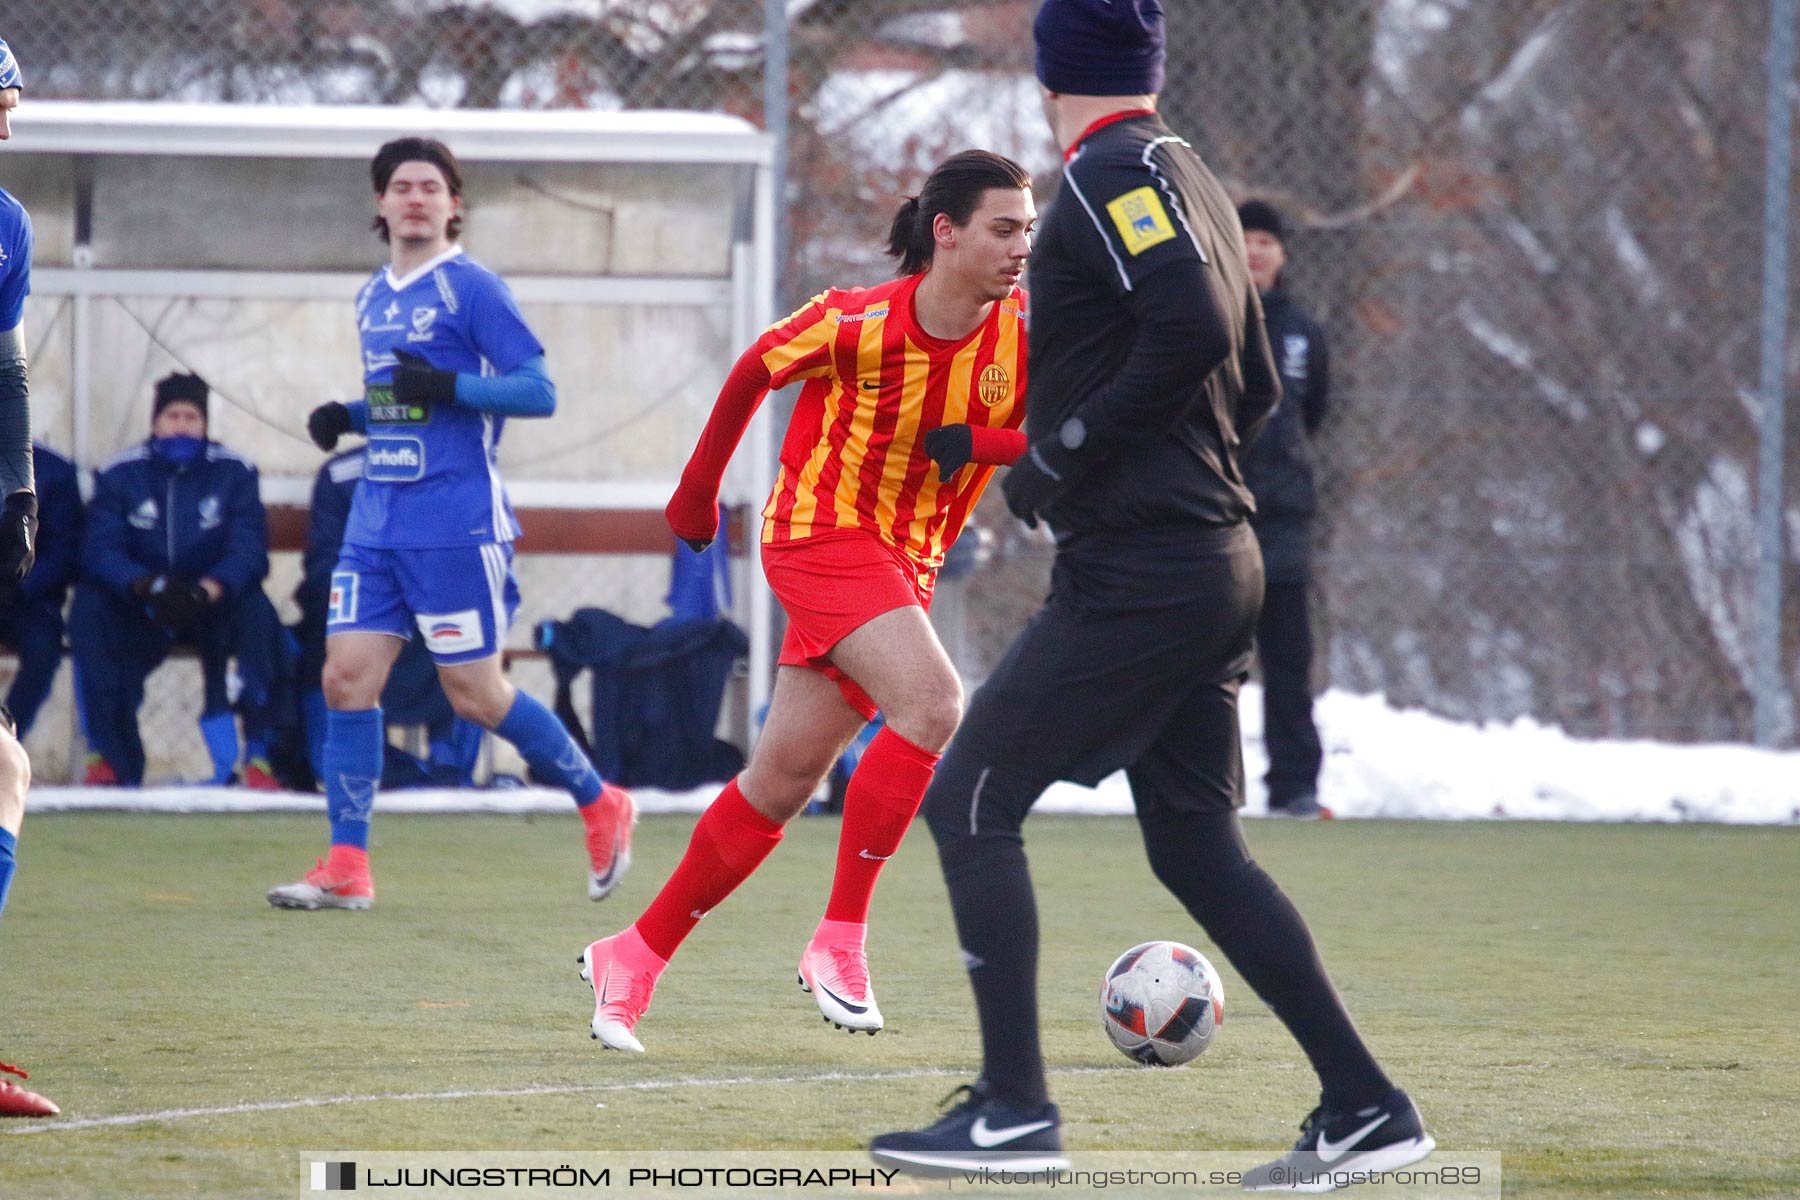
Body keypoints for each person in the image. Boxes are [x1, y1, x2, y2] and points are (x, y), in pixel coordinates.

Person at [870, 2, 1433, 1188]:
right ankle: (1368, 1107)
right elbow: (1248, 371)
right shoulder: (1190, 174)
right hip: (1209, 554)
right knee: (1195, 847)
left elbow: (1187, 322)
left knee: (970, 797)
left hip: (1150, 566)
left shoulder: (1109, 172)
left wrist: (1060, 451)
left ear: (1047, 72)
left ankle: (1016, 1110)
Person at [577, 149, 1035, 1053]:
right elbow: (754, 370)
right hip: (819, 534)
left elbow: (1049, 438)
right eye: (1004, 228)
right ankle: (841, 938)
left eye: (1028, 229)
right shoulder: (855, 320)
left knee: (781, 782)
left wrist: (978, 442)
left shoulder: (1024, 332)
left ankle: (633, 953)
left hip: (905, 563)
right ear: (945, 233)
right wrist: (697, 495)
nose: (1022, 246)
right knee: (935, 703)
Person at [268, 136, 633, 911]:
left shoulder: (473, 289)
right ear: (379, 202)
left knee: (475, 694)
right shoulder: (373, 296)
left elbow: (538, 391)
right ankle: (347, 864)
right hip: (376, 522)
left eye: (431, 186)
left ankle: (602, 802)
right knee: (344, 678)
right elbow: (406, 399)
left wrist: (450, 383)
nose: (415, 198)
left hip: (455, 525)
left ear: (454, 203)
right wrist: (352, 414)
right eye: (401, 185)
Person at [69, 372, 286, 789]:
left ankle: (260, 759)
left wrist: (209, 588)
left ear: (205, 424)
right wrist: (148, 585)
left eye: (192, 416)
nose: (182, 425)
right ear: (156, 422)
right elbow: (100, 551)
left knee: (259, 613)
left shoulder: (235, 472)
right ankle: (109, 760)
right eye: (173, 415)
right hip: (144, 603)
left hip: (210, 602)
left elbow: (248, 549)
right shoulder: (120, 473)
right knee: (89, 608)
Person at [291, 447, 480, 790]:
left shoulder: (448, 468)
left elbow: (463, 555)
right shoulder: (340, 475)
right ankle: (360, 762)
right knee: (327, 637)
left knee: (466, 627)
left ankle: (449, 761)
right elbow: (322, 567)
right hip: (361, 609)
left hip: (428, 605)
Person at [0, 33, 58, 1120]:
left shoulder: (6, 225)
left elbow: (2, 363)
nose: (9, 121)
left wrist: (16, 486)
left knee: (4, 771)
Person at [1238, 199, 1331, 819]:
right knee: (1205, 657)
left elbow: (1314, 410)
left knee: (1289, 659)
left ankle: (1294, 785)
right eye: (1244, 238)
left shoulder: (1301, 329)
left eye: (1267, 240)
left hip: (1285, 520)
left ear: (1283, 253)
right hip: (1218, 513)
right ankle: (1205, 785)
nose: (1255, 251)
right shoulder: (1207, 317)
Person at [0, 444, 80, 735]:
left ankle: (8, 741)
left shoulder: (52, 469)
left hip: (29, 601)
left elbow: (66, 547)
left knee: (43, 650)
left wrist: (19, 583)